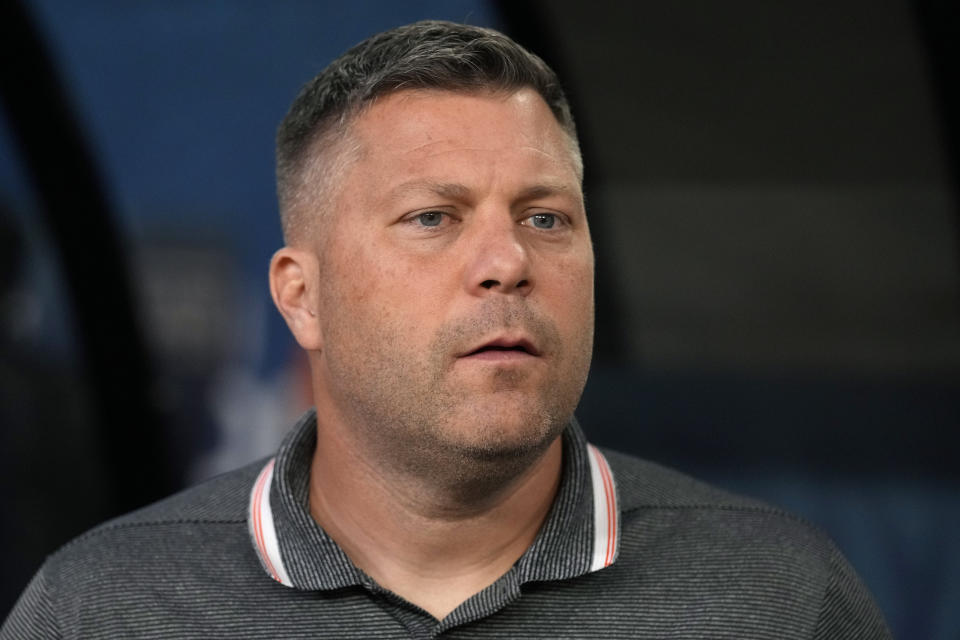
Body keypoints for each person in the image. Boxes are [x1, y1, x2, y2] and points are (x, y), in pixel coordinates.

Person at [2, 20, 891, 639]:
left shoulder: (784, 603)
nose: (506, 261)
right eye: (434, 217)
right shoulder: (102, 612)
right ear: (301, 297)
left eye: (547, 218)